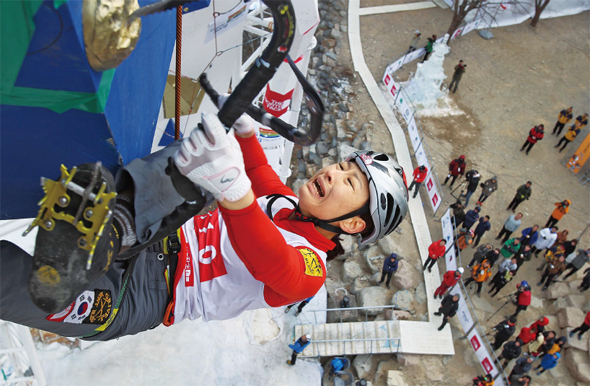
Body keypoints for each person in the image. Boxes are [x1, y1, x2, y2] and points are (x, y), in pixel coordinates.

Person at [0, 110, 409, 340]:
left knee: (23, 288)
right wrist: (245, 125)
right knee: (209, 153)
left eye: (349, 182)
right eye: (340, 166)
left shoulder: (310, 268)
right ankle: (115, 223)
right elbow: (256, 166)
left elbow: (267, 258)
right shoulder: (282, 201)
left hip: (142, 297)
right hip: (152, 230)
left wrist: (235, 191)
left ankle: (99, 237)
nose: (333, 174)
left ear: (353, 224)